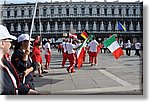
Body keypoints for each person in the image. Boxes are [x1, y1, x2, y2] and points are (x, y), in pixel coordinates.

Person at [0, 25, 37, 95]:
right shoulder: (17, 54)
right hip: (25, 80)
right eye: (10, 41)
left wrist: (30, 69)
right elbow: (21, 67)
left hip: (28, 82)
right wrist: (25, 56)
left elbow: (34, 64)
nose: (11, 44)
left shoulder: (5, 63)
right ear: (2, 43)